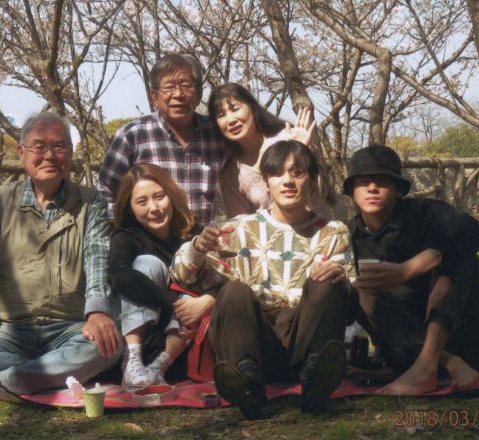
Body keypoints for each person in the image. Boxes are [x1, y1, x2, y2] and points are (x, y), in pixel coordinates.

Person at [0, 112, 122, 403]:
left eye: (59, 147)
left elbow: (97, 259)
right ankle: (44, 373)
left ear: (70, 154)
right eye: (39, 147)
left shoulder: (90, 203)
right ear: (22, 154)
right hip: (8, 333)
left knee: (108, 347)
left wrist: (97, 312)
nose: (49, 156)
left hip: (69, 329)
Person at [171, 140, 352, 418]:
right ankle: (246, 383)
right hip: (256, 342)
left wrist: (341, 279)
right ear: (266, 182)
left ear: (313, 180)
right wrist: (197, 247)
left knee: (328, 280)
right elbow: (181, 273)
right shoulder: (239, 229)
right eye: (277, 174)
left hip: (306, 339)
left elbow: (350, 299)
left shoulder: (333, 232)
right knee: (233, 291)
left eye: (297, 173)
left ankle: (317, 378)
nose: (287, 181)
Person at [344, 144, 479, 395]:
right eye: (363, 182)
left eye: (382, 181)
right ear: (351, 191)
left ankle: (427, 366)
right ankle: (443, 363)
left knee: (457, 254)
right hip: (408, 346)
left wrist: (408, 269)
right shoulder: (349, 235)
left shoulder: (425, 213)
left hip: (474, 336)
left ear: (399, 190)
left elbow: (469, 231)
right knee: (358, 287)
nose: (372, 188)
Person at [110, 163, 214, 386]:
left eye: (159, 197)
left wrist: (206, 301)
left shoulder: (195, 235)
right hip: (142, 332)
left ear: (172, 195)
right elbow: (120, 275)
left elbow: (221, 278)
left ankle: (158, 368)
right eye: (142, 202)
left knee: (191, 296)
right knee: (148, 263)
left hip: (182, 340)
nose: (154, 208)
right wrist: (174, 303)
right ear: (129, 207)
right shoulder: (126, 237)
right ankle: (132, 361)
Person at [98, 53, 226, 227]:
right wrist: (122, 233)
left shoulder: (216, 134)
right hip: (149, 241)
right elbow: (106, 191)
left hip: (204, 240)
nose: (178, 94)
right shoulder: (133, 135)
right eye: (169, 87)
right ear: (154, 97)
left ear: (199, 94)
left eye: (186, 85)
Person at [207, 83, 325, 217]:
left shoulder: (289, 138)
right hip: (268, 231)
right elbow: (240, 221)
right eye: (221, 115)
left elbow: (316, 200)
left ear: (252, 107)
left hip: (317, 227)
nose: (231, 120)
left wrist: (302, 153)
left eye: (235, 109)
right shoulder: (230, 172)